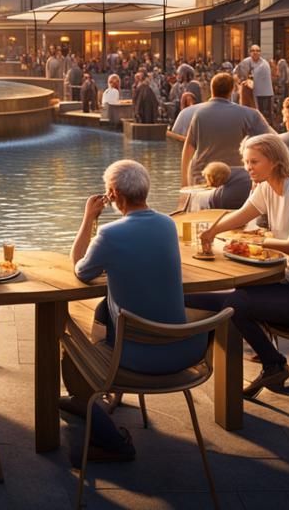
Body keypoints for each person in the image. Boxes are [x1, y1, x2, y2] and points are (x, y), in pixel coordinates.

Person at [66, 159, 207, 461]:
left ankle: (110, 438)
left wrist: (88, 218)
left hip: (137, 357)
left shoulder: (111, 234)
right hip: (183, 349)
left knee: (66, 341)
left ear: (114, 194)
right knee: (106, 307)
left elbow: (80, 270)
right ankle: (102, 400)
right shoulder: (168, 225)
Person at [189, 133, 289, 397]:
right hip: (287, 285)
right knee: (199, 297)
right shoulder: (267, 188)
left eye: (254, 161)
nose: (248, 167)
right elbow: (240, 215)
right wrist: (211, 232)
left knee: (235, 306)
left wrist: (262, 241)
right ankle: (195, 354)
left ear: (275, 160)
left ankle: (274, 364)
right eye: (246, 161)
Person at [181, 72, 273, 186]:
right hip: (236, 179)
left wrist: (184, 182)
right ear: (231, 91)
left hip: (202, 177)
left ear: (212, 89)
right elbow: (271, 141)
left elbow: (188, 149)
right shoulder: (249, 114)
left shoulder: (199, 114)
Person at [237, 45, 274, 122]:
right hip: (249, 94)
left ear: (260, 53)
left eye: (257, 51)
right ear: (250, 52)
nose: (255, 52)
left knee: (264, 116)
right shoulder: (246, 62)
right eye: (253, 51)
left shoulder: (264, 64)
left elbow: (256, 76)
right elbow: (238, 73)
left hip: (264, 94)